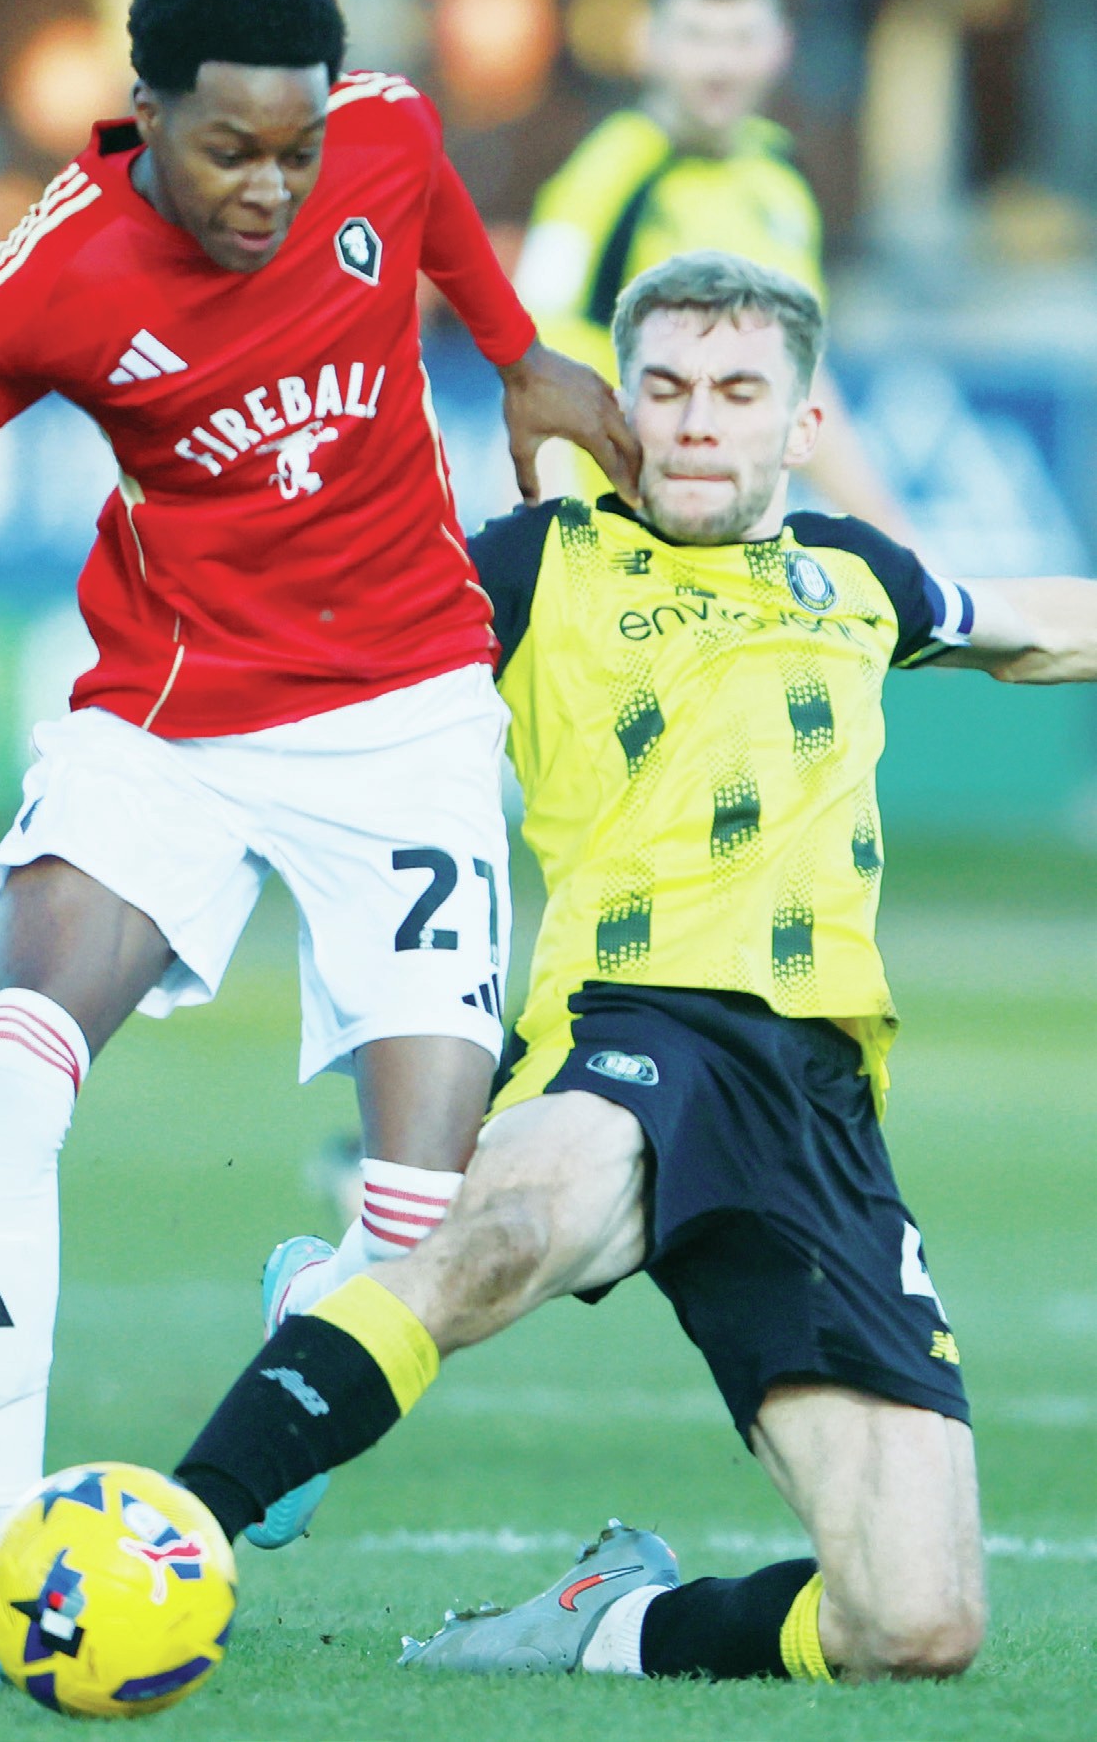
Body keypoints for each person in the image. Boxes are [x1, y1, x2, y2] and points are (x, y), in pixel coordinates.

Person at [0, 0, 637, 1691]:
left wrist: (518, 354)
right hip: (171, 726)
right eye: (228, 151)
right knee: (11, 1063)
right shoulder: (53, 276)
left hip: (411, 711)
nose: (271, 188)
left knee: (419, 1221)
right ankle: (0, 1573)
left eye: (295, 151)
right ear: (147, 113)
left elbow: (431, 213)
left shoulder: (386, 136)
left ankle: (317, 1303)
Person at [161, 250, 1097, 1685]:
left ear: (803, 422)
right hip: (632, 1023)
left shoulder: (858, 575)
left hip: (819, 1099)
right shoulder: (537, 563)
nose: (696, 419)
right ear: (619, 408)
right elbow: (315, 642)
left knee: (914, 1623)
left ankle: (601, 1620)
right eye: (663, 386)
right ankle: (165, 1532)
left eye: (736, 390)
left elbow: (1042, 626)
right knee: (506, 1237)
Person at [516, 0, 915, 543]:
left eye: (741, 38)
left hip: (735, 549)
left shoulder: (781, 179)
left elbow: (803, 382)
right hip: (620, 552)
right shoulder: (602, 184)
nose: (720, 64)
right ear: (646, 42)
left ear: (780, 45)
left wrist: (898, 543)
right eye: (696, 36)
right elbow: (534, 377)